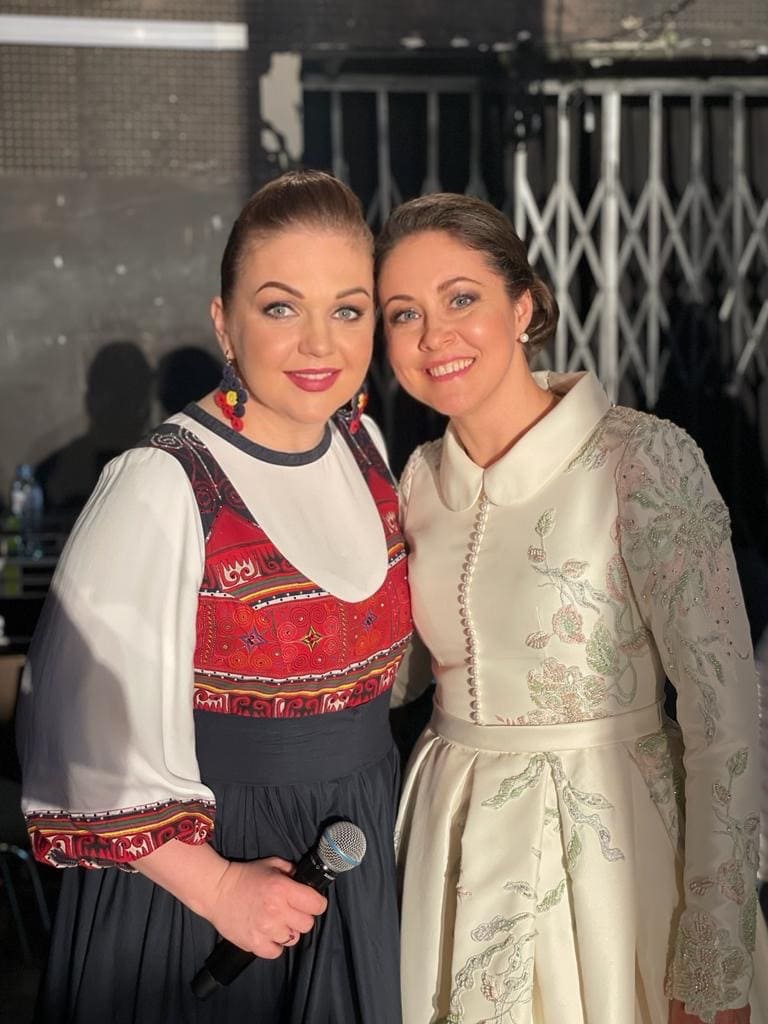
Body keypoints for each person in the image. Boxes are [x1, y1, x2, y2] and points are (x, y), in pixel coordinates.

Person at [17, 169, 411, 1023]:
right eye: (281, 307)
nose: (320, 343)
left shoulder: (365, 444)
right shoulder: (161, 482)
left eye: (348, 310)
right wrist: (219, 888)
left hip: (356, 849)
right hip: (208, 887)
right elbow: (77, 731)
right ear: (224, 322)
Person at [375, 192, 767, 1024]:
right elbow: (396, 674)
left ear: (524, 306)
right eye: (403, 313)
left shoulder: (641, 459)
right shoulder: (415, 481)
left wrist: (716, 955)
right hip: (449, 848)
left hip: (611, 862)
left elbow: (725, 718)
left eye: (461, 298)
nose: (434, 335)